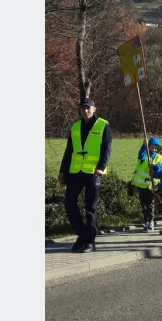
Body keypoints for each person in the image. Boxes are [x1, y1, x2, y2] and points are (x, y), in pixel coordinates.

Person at [58, 97, 112, 254]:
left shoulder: (103, 125)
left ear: (94, 109)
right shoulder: (75, 127)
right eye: (83, 108)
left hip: (93, 172)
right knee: (69, 203)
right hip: (75, 172)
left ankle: (90, 241)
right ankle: (82, 235)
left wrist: (101, 167)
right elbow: (69, 151)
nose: (86, 110)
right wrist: (63, 171)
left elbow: (107, 148)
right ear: (80, 110)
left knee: (90, 208)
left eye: (89, 108)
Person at [133, 137, 162, 231]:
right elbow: (140, 155)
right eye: (152, 147)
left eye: (156, 148)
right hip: (141, 185)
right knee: (143, 204)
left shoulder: (159, 158)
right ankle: (146, 220)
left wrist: (154, 167)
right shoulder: (144, 155)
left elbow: (159, 169)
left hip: (151, 186)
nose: (154, 150)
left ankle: (151, 220)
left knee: (150, 204)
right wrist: (144, 145)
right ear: (149, 147)